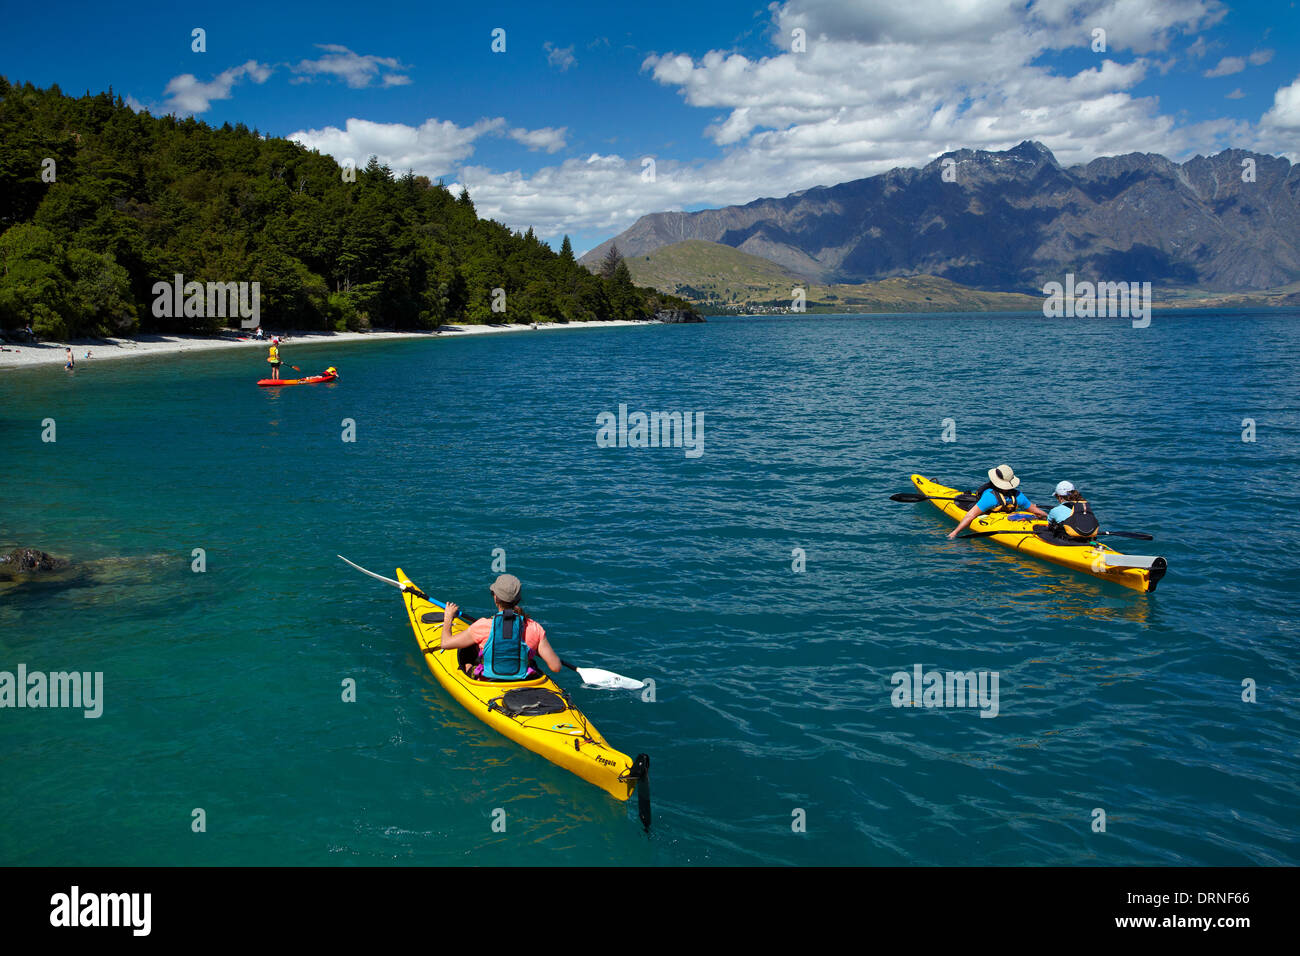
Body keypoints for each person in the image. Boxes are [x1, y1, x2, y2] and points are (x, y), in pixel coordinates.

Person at [438, 574, 562, 681]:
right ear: (518, 600)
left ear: (495, 597)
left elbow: (445, 643)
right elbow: (555, 667)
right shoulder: (535, 628)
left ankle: (469, 666)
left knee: (466, 652)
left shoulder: (482, 626)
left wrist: (448, 617)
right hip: (523, 681)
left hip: (487, 680)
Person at [947, 464, 1048, 539]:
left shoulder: (990, 497)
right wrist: (1047, 520)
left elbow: (970, 515)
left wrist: (955, 532)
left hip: (990, 514)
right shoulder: (1018, 496)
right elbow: (1037, 512)